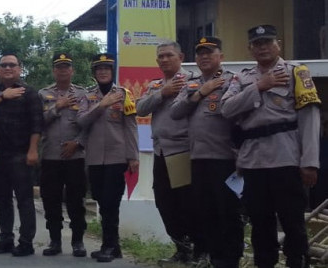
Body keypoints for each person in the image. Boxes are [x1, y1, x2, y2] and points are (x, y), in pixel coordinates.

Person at [221, 25, 321, 268]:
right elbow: (226, 109)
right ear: (250, 49)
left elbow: (309, 120)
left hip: (286, 157)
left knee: (292, 219)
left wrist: (310, 162)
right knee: (259, 220)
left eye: (267, 42)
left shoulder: (297, 72)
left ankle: (297, 261)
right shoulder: (241, 78)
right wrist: (259, 86)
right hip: (253, 160)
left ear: (279, 44)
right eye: (257, 44)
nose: (263, 47)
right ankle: (265, 263)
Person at [170, 37, 244, 268]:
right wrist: (200, 93)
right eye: (200, 52)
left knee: (228, 213)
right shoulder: (191, 84)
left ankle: (230, 260)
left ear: (221, 56)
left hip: (225, 158)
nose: (203, 56)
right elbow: (175, 111)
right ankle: (214, 257)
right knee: (205, 211)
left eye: (209, 52)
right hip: (198, 157)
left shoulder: (233, 81)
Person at [136, 40, 200, 264]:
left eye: (169, 55)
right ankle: (181, 247)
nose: (164, 60)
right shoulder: (155, 85)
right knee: (164, 201)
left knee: (186, 202)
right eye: (160, 56)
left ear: (180, 57)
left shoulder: (193, 80)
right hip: (160, 150)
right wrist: (162, 93)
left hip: (182, 150)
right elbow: (140, 108)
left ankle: (194, 249)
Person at [77, 53, 139, 263]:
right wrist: (102, 105)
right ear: (94, 73)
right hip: (94, 158)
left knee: (111, 203)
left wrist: (133, 156)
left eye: (106, 68)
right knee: (102, 201)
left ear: (112, 71)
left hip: (117, 157)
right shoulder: (87, 96)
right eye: (99, 69)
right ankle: (115, 246)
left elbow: (131, 127)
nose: (103, 72)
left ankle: (108, 245)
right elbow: (82, 121)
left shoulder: (124, 94)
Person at [0, 53, 44, 257]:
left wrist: (33, 150)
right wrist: (3, 96)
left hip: (21, 154)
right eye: (4, 65)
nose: (8, 68)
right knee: (1, 199)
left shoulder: (29, 93)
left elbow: (37, 124)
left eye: (12, 65)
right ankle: (6, 239)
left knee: (24, 200)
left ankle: (26, 242)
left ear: (20, 69)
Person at [38, 52, 88, 258]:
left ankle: (78, 241)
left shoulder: (83, 93)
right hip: (50, 155)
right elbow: (37, 123)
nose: (63, 70)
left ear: (72, 70)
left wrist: (77, 143)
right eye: (59, 67)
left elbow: (90, 122)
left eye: (66, 66)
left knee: (76, 200)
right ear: (53, 70)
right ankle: (55, 240)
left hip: (75, 157)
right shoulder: (43, 94)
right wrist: (56, 107)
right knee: (51, 200)